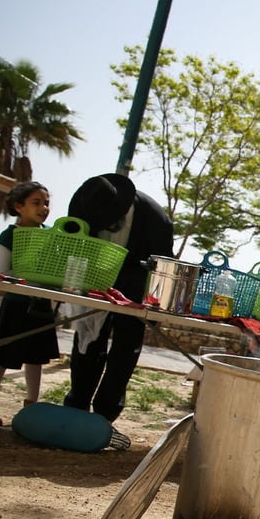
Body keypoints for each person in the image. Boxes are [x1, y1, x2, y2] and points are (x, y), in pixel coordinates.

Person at [63, 173, 173, 422]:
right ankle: (77, 405)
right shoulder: (86, 205)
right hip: (94, 282)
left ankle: (106, 412)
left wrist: (157, 311)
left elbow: (164, 266)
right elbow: (73, 246)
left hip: (135, 289)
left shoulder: (156, 219)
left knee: (125, 348)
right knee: (87, 342)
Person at [0, 182, 58, 425]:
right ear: (18, 206)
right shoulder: (9, 235)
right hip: (16, 304)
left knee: (36, 357)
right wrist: (31, 282)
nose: (44, 207)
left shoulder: (51, 235)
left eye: (46, 203)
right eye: (36, 202)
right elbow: (4, 271)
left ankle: (31, 407)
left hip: (41, 305)